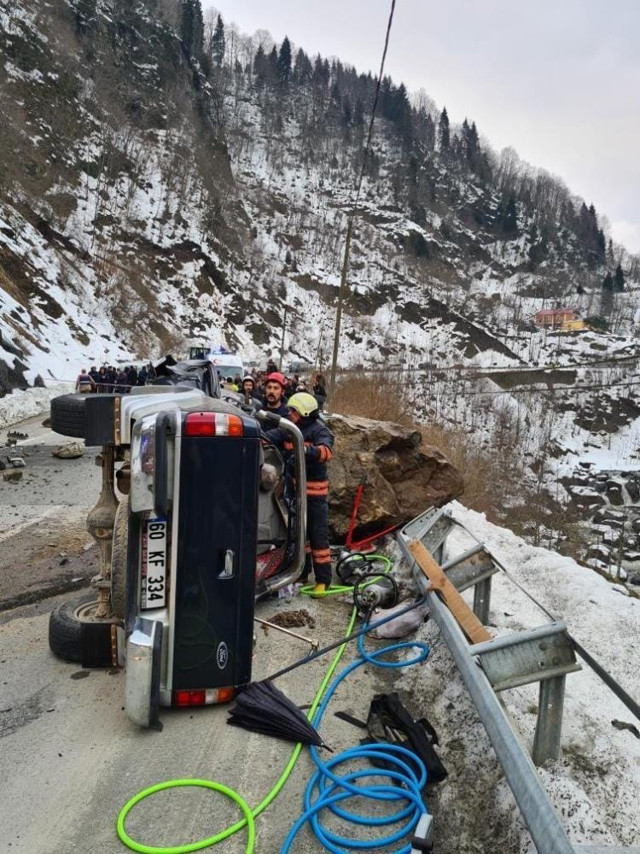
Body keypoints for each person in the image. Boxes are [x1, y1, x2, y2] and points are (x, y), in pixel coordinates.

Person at [263, 392, 334, 596]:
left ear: (303, 412)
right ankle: (302, 572)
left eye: (293, 410)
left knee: (318, 536)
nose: (289, 412)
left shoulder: (319, 430)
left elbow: (325, 452)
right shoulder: (289, 429)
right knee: (299, 534)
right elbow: (271, 436)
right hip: (295, 493)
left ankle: (323, 580)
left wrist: (305, 451)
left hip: (314, 495)